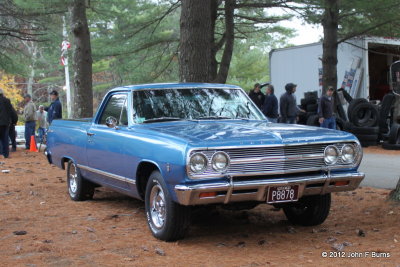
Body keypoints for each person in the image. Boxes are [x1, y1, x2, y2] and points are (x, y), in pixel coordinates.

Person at [0, 89, 13, 158]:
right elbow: (11, 111)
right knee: (5, 138)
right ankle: (6, 154)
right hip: (6, 123)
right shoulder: (7, 101)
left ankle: (0, 153)